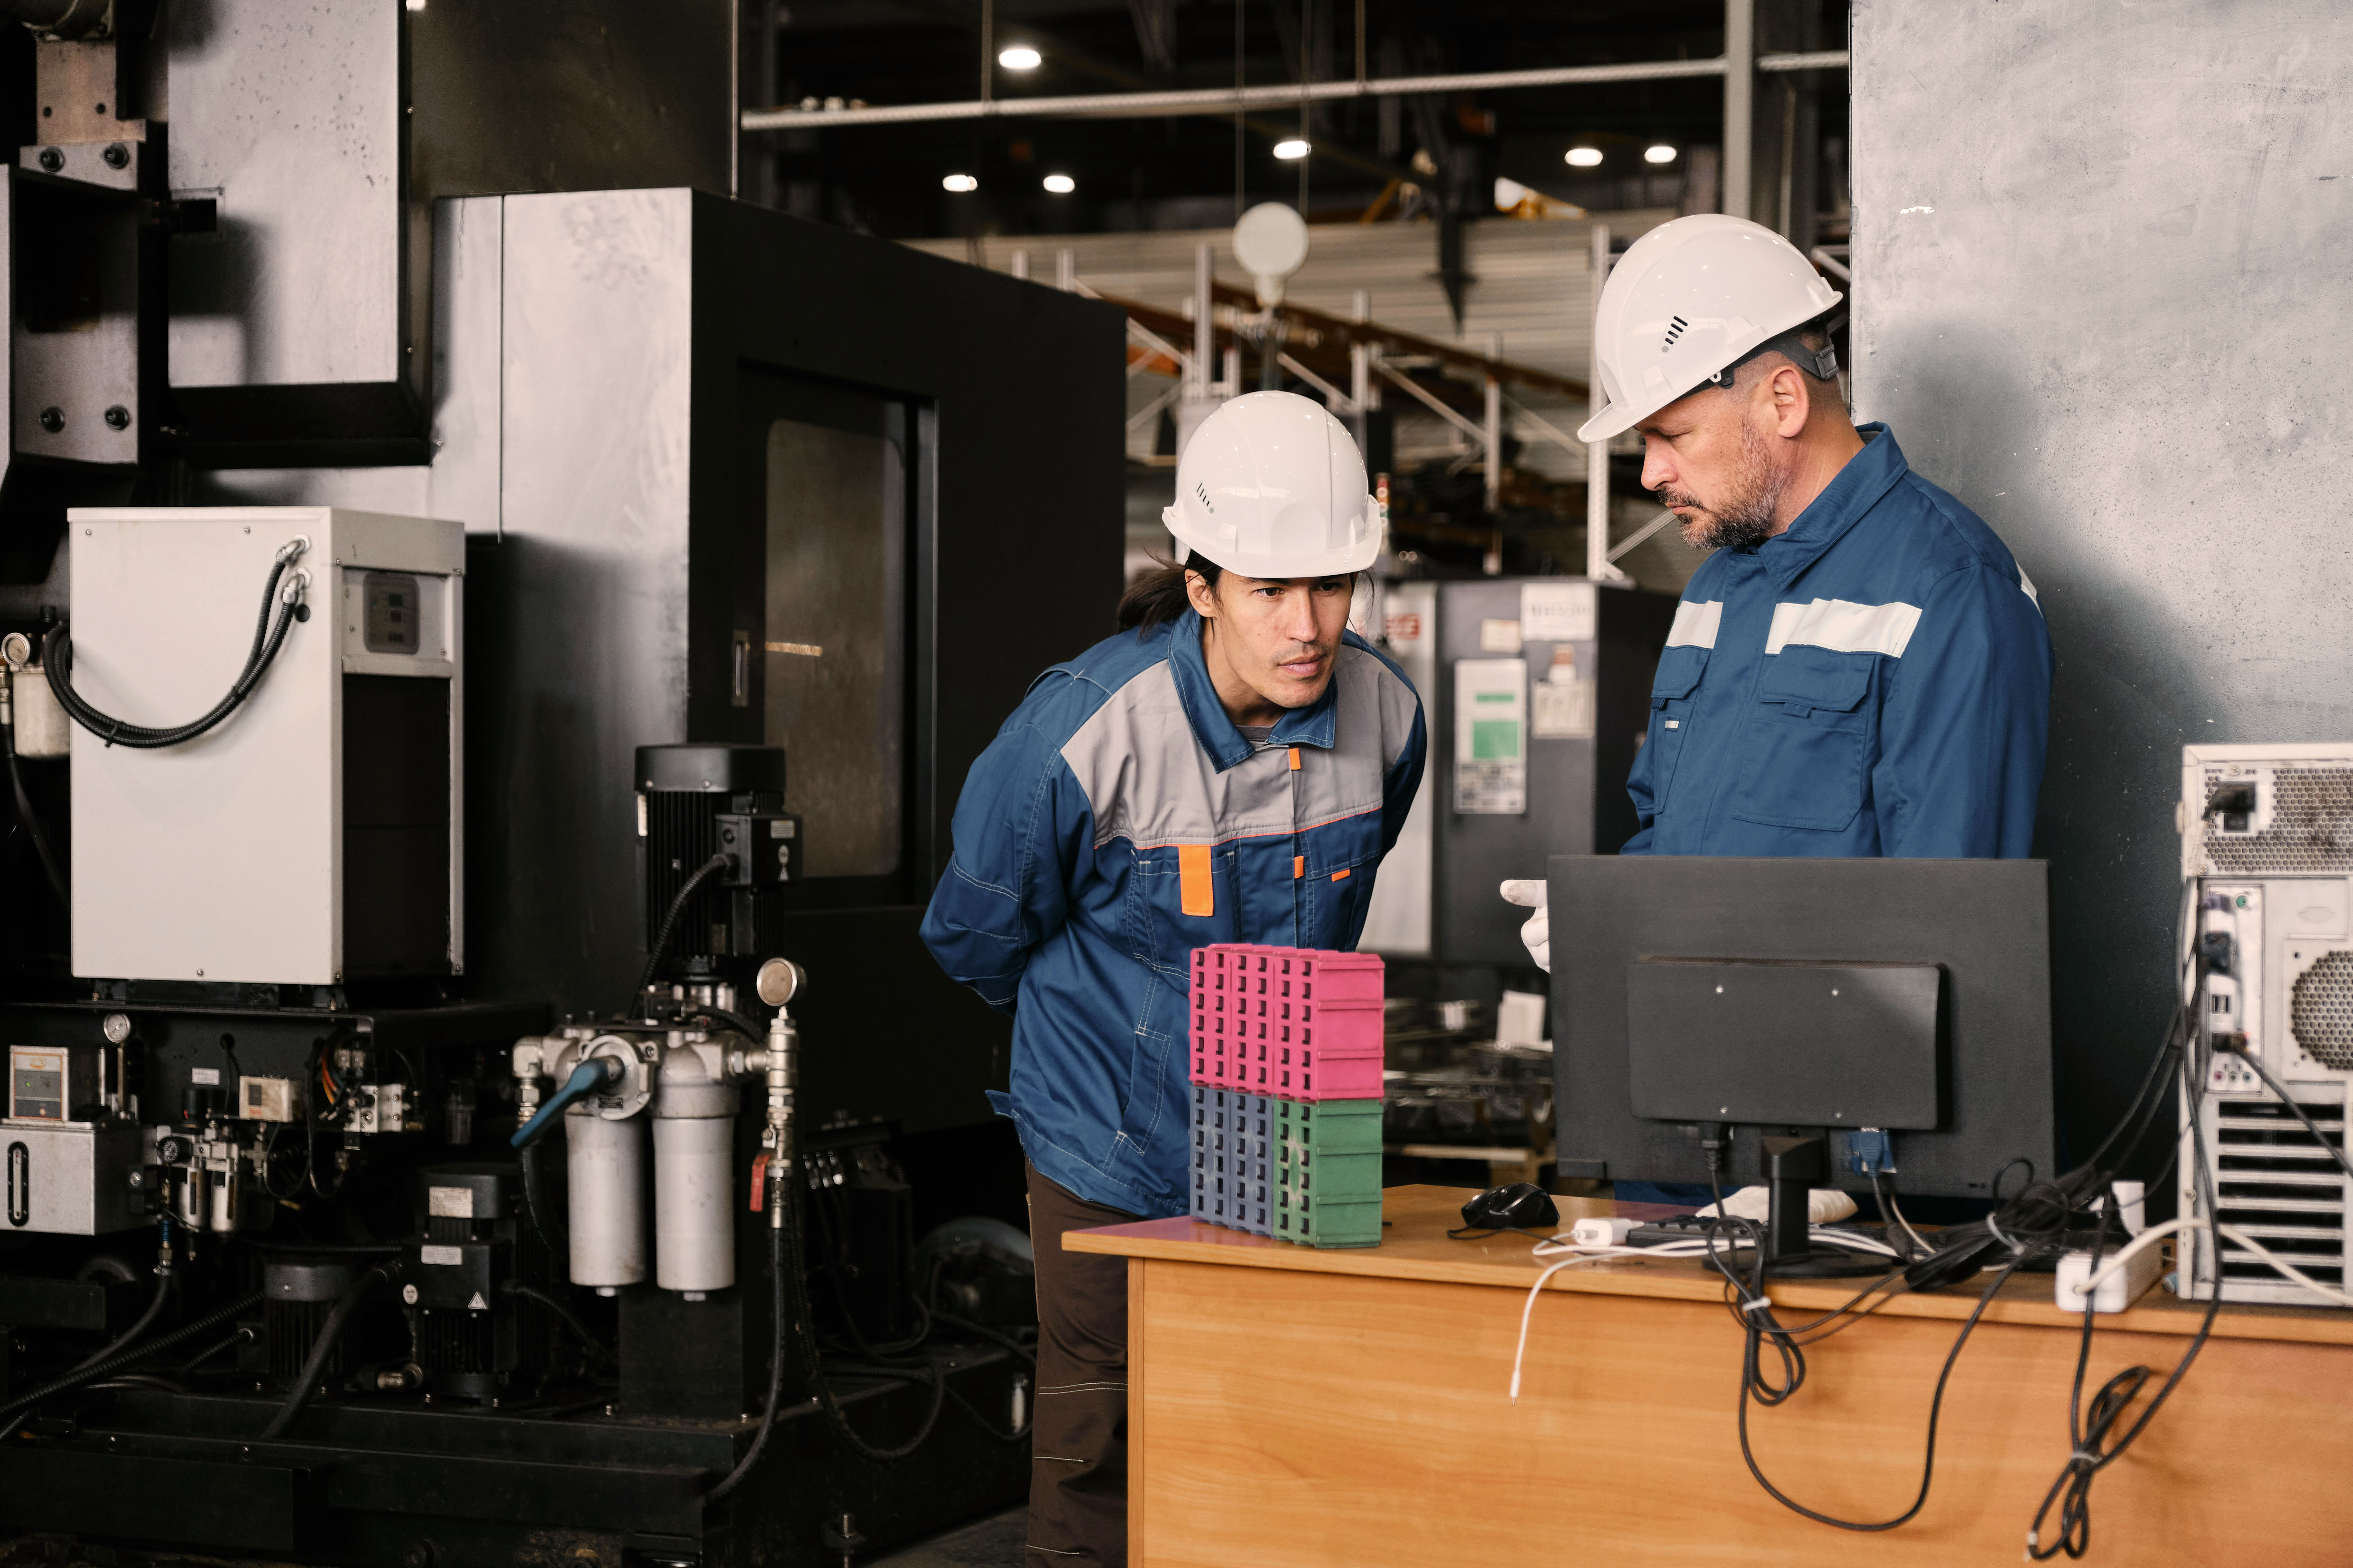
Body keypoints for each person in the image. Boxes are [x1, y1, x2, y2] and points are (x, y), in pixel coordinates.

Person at [920, 391, 1426, 1567]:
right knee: (1102, 1456)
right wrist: (1115, 1037)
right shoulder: (1087, 731)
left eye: (1333, 585)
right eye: (1269, 589)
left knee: (1279, 1443)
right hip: (1110, 1146)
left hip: (1291, 1142)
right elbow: (971, 934)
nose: (1308, 626)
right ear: (1201, 586)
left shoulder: (1390, 715)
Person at [1500, 214, 2052, 1202]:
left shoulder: (1950, 587)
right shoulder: (1717, 590)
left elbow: (1956, 935)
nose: (1650, 473)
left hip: (1835, 1200)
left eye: (1671, 435)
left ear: (1783, 398)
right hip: (1678, 1156)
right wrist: (1606, 922)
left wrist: (1869, 1195)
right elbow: (1674, 835)